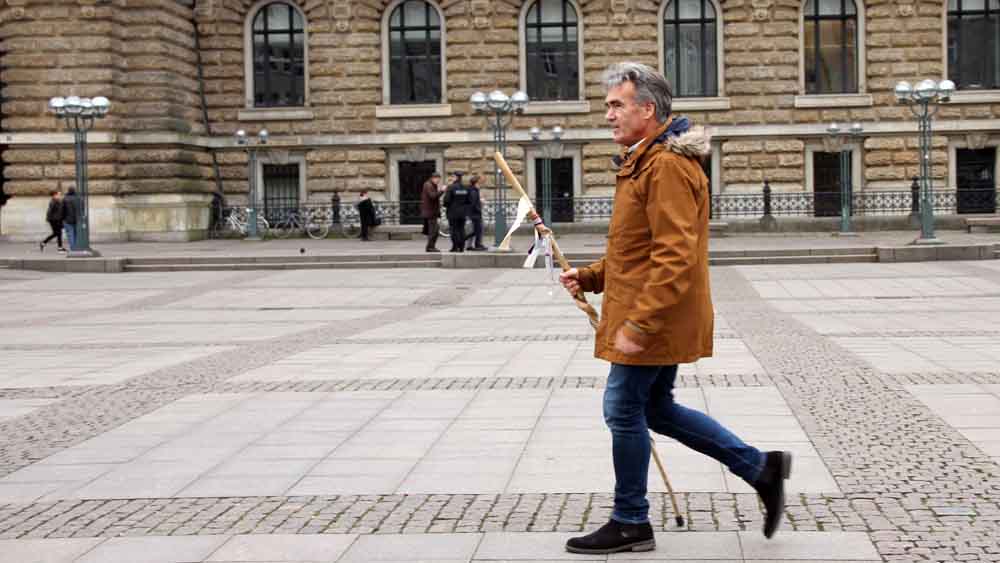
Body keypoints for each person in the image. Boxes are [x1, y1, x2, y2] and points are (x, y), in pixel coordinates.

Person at [558, 62, 791, 555]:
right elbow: (637, 249)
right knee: (656, 409)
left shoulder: (663, 166)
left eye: (617, 105)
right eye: (608, 106)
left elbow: (675, 255)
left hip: (654, 317)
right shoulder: (645, 161)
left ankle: (630, 520)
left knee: (623, 409)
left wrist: (641, 323)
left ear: (648, 108)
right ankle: (760, 468)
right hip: (652, 310)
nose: (608, 116)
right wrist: (592, 275)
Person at [442, 172, 470, 252]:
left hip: (453, 213)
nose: (452, 178)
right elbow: (468, 201)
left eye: (453, 176)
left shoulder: (451, 187)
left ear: (456, 178)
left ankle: (455, 246)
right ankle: (461, 247)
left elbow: (446, 201)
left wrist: (446, 206)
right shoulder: (465, 188)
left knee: (454, 230)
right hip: (463, 213)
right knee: (461, 229)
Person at [420, 172, 446, 252]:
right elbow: (433, 196)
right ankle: (430, 247)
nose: (438, 181)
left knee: (434, 230)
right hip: (430, 212)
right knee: (433, 230)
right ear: (433, 178)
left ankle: (431, 246)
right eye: (437, 179)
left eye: (439, 179)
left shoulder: (431, 185)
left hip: (431, 212)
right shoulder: (428, 185)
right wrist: (442, 191)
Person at [465, 174, 487, 251]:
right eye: (480, 182)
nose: (481, 184)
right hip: (475, 214)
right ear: (476, 182)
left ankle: (473, 244)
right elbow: (473, 203)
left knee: (476, 230)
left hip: (473, 213)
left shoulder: (473, 189)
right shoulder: (474, 191)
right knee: (478, 230)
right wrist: (479, 207)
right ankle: (477, 244)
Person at [61, 186, 80, 251]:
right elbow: (82, 209)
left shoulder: (65, 199)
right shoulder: (78, 198)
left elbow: (62, 210)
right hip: (77, 220)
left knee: (70, 235)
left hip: (67, 220)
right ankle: (76, 247)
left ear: (68, 191)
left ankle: (73, 249)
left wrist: (62, 219)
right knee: (76, 234)